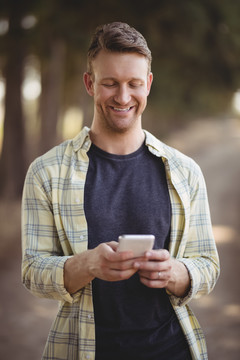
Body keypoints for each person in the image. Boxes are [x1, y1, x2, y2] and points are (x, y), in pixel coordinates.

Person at [21, 22, 220, 360]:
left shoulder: (185, 172)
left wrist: (177, 272)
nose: (123, 97)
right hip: (85, 350)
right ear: (90, 83)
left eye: (134, 84)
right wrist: (87, 265)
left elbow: (208, 265)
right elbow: (32, 271)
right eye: (110, 83)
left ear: (149, 84)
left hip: (172, 349)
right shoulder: (47, 172)